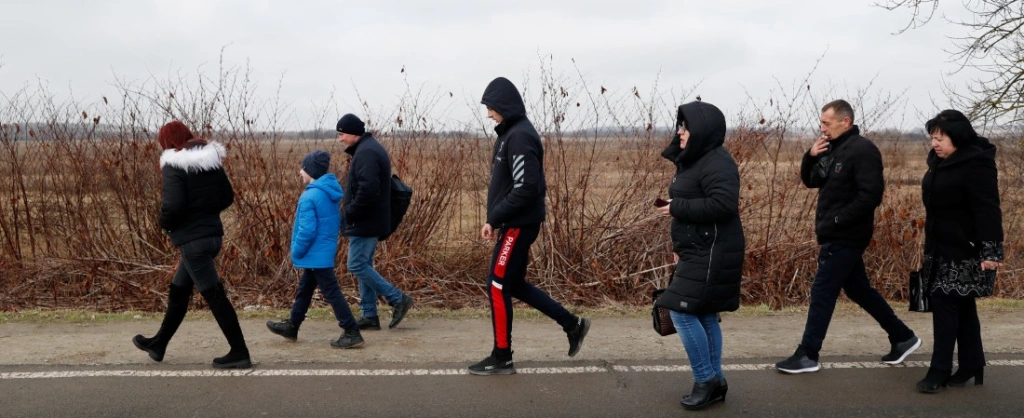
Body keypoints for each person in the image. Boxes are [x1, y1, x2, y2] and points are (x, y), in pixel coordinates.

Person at [776, 99, 920, 374]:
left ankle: (808, 354)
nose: (822, 128)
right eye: (821, 123)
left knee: (822, 291)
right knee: (858, 289)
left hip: (847, 234)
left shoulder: (863, 150)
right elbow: (812, 181)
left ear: (846, 122)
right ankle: (903, 338)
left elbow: (871, 195)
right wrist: (810, 156)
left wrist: (838, 219)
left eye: (826, 123)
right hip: (836, 233)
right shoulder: (833, 149)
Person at [467, 76, 591, 376]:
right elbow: (508, 184)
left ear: (505, 106)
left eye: (491, 107)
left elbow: (526, 188)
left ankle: (502, 357)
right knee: (513, 284)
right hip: (512, 223)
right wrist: (493, 219)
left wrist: (496, 219)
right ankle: (572, 325)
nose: (488, 114)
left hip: (519, 224)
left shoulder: (520, 136)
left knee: (496, 286)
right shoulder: (509, 134)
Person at [132, 120, 251, 369]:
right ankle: (159, 344)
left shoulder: (174, 165)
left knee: (214, 295)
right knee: (179, 288)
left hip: (193, 241)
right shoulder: (209, 161)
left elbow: (172, 206)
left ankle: (239, 352)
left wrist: (165, 224)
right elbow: (226, 197)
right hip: (212, 236)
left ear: (168, 142)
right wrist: (204, 212)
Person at [655, 100, 744, 410]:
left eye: (685, 126)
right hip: (698, 250)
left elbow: (724, 205)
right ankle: (716, 382)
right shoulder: (694, 160)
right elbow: (696, 204)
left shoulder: (718, 162)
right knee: (703, 313)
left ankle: (705, 379)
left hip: (714, 250)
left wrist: (676, 207)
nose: (679, 132)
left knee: (679, 311)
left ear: (701, 130)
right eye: (679, 125)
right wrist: (680, 249)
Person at [915, 110, 1004, 393]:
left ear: (958, 137)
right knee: (963, 307)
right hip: (939, 247)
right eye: (932, 138)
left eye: (940, 138)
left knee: (944, 306)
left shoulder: (977, 164)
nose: (935, 143)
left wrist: (990, 251)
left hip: (965, 251)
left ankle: (939, 370)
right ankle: (972, 364)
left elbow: (988, 209)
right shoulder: (939, 163)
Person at [266, 150, 365, 349]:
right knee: (305, 290)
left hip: (313, 252)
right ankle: (292, 326)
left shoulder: (309, 197)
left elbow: (307, 231)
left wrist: (297, 251)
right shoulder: (329, 192)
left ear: (311, 171)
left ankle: (351, 331)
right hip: (323, 250)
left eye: (303, 168)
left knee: (332, 292)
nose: (300, 172)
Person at [336, 114, 415, 330]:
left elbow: (368, 191)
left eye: (341, 134)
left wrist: (348, 212)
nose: (340, 139)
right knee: (364, 265)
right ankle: (369, 315)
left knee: (357, 265)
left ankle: (397, 299)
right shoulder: (367, 149)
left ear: (353, 133)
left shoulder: (367, 152)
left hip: (365, 221)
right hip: (368, 220)